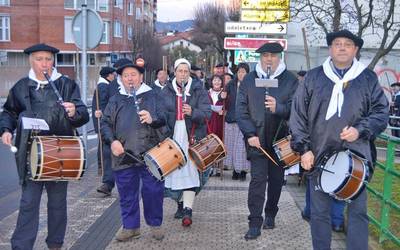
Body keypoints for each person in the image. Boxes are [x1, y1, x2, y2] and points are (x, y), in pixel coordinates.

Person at [290, 29, 389, 250]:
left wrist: (360, 129)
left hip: (357, 158)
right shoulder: (313, 78)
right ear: (330, 48)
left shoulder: (367, 78)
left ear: (355, 50)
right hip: (318, 154)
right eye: (337, 44)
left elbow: (381, 113)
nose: (342, 47)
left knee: (357, 214)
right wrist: (303, 148)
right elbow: (297, 116)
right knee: (319, 214)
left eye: (347, 44)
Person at [0, 43, 89, 250]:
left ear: (53, 61)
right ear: (31, 61)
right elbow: (9, 112)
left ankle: (55, 244)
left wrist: (74, 111)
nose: (44, 64)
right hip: (30, 153)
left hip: (60, 154)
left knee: (57, 205)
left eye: (48, 59)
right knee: (28, 204)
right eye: (39, 59)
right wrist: (5, 129)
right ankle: (21, 246)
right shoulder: (22, 86)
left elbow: (83, 114)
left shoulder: (66, 85)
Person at [236, 42, 299, 240]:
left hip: (281, 141)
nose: (269, 59)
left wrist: (278, 108)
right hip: (257, 140)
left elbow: (296, 109)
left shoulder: (290, 80)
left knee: (276, 181)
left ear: (279, 57)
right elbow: (241, 109)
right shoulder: (249, 80)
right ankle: (255, 221)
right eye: (265, 56)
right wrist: (249, 134)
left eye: (273, 55)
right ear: (260, 58)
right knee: (257, 181)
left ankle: (271, 212)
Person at [101, 62, 167, 242]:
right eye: (126, 75)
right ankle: (131, 227)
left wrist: (153, 119)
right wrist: (112, 141)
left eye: (133, 74)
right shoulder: (116, 99)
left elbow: (165, 119)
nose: (130, 78)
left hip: (151, 153)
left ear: (141, 77)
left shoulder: (153, 96)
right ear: (121, 79)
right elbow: (105, 123)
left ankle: (155, 224)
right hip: (123, 154)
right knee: (127, 194)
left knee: (153, 191)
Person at [162, 58, 212, 227]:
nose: (182, 74)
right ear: (174, 72)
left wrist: (193, 111)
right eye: (179, 71)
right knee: (175, 173)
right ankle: (180, 204)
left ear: (189, 72)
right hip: (173, 137)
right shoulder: (166, 91)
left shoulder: (198, 89)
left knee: (191, 173)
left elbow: (207, 114)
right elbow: (160, 114)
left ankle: (188, 210)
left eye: (185, 71)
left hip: (192, 137)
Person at [222, 62, 251, 181]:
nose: (241, 74)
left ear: (247, 73)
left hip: (245, 120)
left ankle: (243, 170)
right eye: (239, 72)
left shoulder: (251, 85)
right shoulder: (231, 84)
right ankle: (235, 170)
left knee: (242, 147)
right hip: (231, 119)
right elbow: (221, 96)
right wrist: (222, 96)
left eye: (243, 72)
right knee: (231, 145)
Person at [92, 66, 116, 197]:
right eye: (113, 74)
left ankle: (108, 182)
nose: (114, 76)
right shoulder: (104, 86)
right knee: (107, 152)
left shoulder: (105, 85)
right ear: (109, 75)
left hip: (112, 124)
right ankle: (107, 182)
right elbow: (103, 105)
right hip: (108, 124)